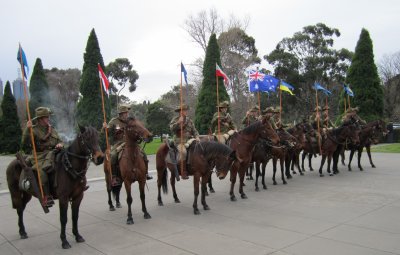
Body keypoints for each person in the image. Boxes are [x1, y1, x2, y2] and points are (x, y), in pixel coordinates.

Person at [21, 107, 64, 207]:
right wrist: (27, 129)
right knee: (42, 171)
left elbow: (60, 140)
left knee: (66, 164)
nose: (48, 119)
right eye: (46, 117)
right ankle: (46, 196)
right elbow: (24, 143)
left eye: (48, 117)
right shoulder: (33, 130)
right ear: (40, 119)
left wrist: (60, 144)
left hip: (53, 153)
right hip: (39, 156)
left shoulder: (51, 129)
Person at [104, 105, 152, 186]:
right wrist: (105, 128)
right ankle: (115, 177)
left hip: (131, 142)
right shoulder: (114, 121)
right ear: (120, 114)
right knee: (112, 156)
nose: (126, 115)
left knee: (143, 154)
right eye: (124, 113)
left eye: (127, 113)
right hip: (119, 143)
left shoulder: (131, 121)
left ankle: (146, 173)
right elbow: (107, 132)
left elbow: (137, 130)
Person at [169, 104, 200, 180]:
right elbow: (171, 129)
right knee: (183, 152)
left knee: (199, 147)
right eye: (184, 110)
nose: (186, 112)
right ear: (180, 112)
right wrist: (178, 123)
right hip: (179, 141)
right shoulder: (175, 119)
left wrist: (197, 136)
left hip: (189, 140)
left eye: (186, 110)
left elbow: (194, 130)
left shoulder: (189, 120)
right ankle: (183, 171)